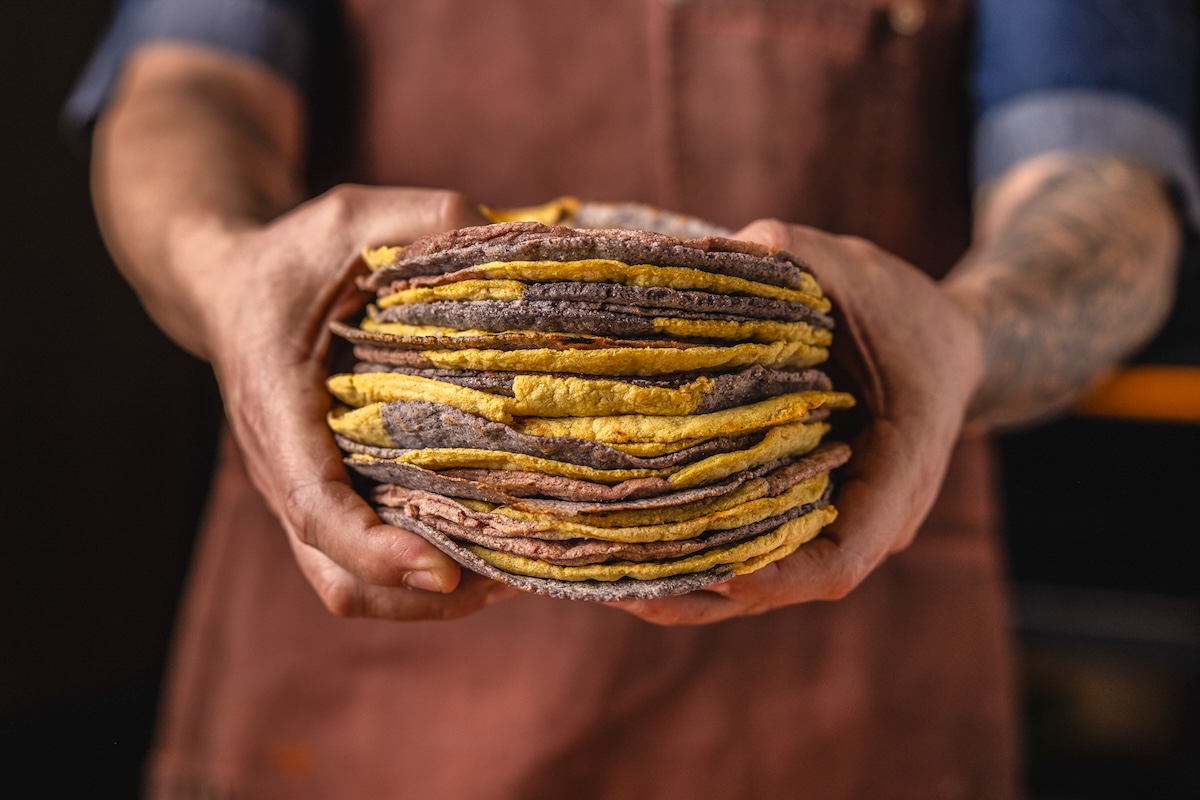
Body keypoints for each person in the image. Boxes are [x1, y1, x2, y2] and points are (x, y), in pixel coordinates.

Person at [65, 0, 1196, 797]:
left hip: (835, 689)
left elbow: (1102, 189)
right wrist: (225, 267)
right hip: (356, 697)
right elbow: (190, 82)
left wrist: (964, 336)